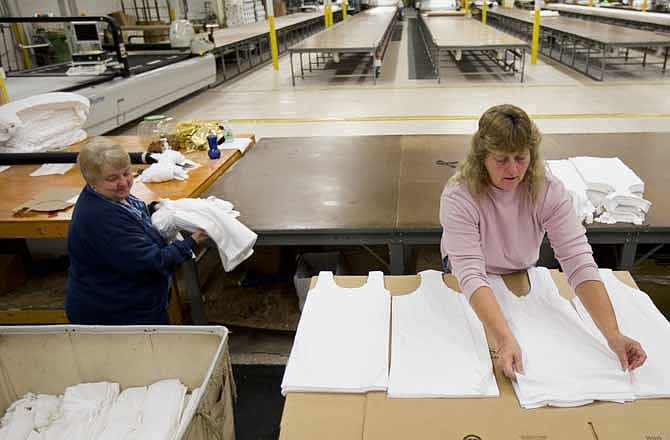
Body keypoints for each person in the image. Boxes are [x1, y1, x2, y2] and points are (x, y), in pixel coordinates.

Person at [439, 104, 646, 379]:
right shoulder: (460, 196)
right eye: (501, 159)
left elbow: (578, 260)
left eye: (520, 158)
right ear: (482, 158)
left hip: (520, 269)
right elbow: (470, 273)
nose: (513, 169)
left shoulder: (547, 190)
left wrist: (612, 334)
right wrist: (504, 338)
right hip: (472, 275)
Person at [66, 138, 208, 325]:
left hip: (136, 302)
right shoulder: (101, 218)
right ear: (91, 180)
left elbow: (133, 216)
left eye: (126, 173)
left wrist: (153, 210)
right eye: (113, 178)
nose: (124, 183)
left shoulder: (110, 195)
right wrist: (191, 242)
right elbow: (153, 262)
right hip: (116, 314)